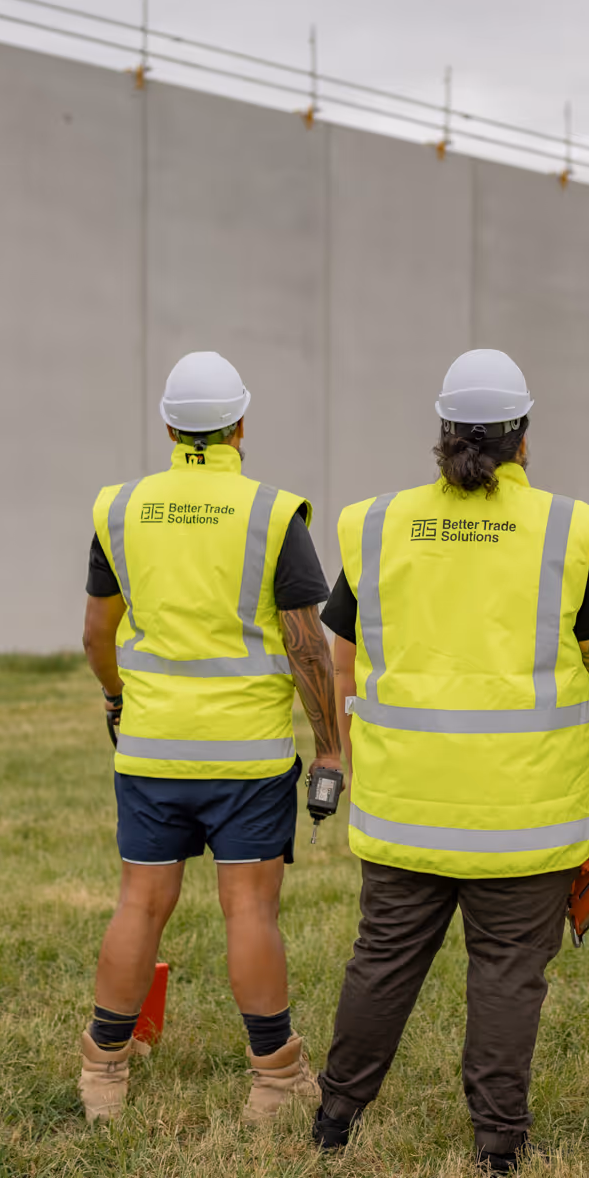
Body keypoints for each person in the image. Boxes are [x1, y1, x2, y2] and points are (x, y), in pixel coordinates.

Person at [310, 348, 589, 1174]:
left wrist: (356, 751)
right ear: (523, 438)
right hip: (526, 819)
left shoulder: (377, 524)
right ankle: (498, 1145)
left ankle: (334, 1117)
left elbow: (342, 657)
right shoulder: (568, 530)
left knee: (381, 960)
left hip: (404, 808)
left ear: (444, 433)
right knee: (506, 977)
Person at [76, 350, 345, 1124]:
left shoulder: (120, 509)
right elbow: (305, 643)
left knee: (140, 902)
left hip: (153, 746)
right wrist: (327, 746)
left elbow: (99, 631)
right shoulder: (271, 511)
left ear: (168, 425)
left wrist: (119, 698)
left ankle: (103, 1072)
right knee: (249, 911)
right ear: (240, 424)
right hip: (248, 755)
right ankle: (275, 1079)